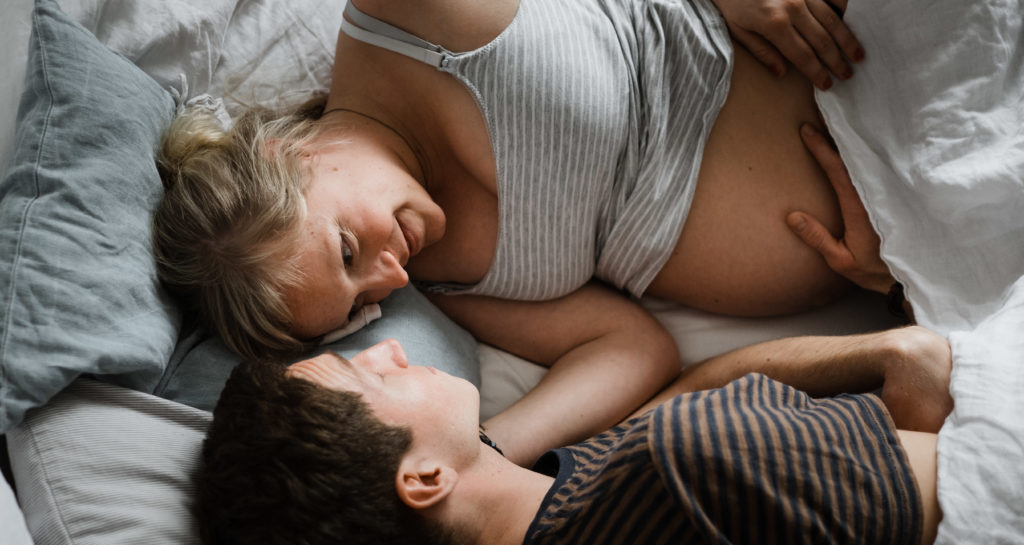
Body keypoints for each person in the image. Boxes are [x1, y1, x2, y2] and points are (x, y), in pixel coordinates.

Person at [154, 0, 873, 462]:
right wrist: (481, 451)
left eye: (347, 251)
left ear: (288, 155)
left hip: (861, 59)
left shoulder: (404, 19)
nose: (392, 277)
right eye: (360, 303)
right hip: (896, 257)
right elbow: (629, 347)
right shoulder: (441, 274)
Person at [194, 324, 952, 545]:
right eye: (372, 378)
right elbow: (971, 494)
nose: (389, 347)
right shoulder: (690, 467)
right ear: (423, 480)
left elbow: (686, 392)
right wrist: (899, 353)